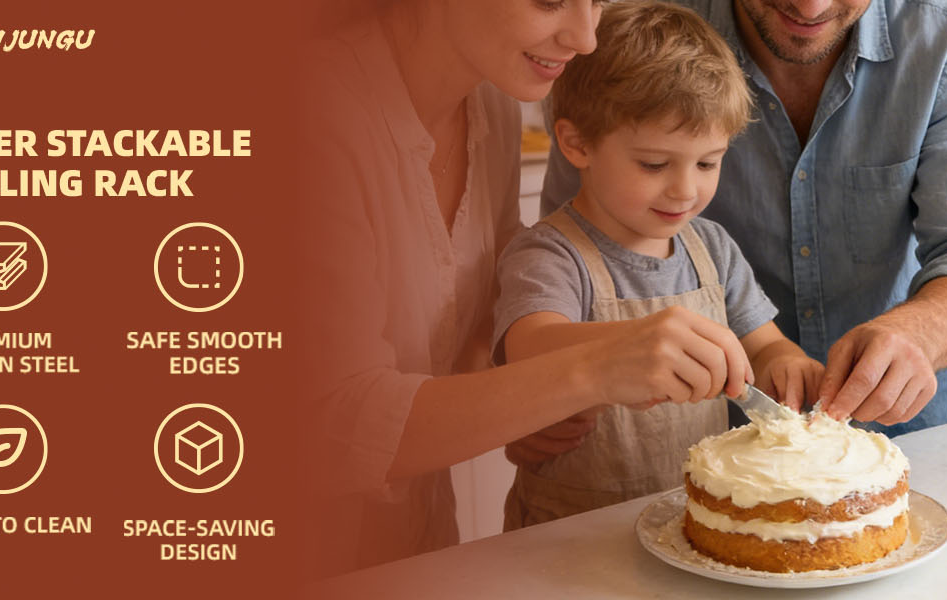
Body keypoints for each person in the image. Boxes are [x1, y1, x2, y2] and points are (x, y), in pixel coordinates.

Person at [296, 0, 750, 576]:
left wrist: (531, 404)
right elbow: (335, 422)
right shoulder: (306, 115)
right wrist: (591, 368)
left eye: (597, 0)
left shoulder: (492, 99)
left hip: (417, 543)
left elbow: (477, 299)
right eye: (551, 1)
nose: (587, 37)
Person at [537, 0, 947, 437]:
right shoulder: (621, 38)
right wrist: (542, 397)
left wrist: (918, 333)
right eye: (653, 164)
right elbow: (577, 248)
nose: (812, 7)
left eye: (708, 162)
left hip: (905, 436)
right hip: (704, 449)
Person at [492, 0, 825, 530]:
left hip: (694, 524)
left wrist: (786, 364)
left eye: (708, 162)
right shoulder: (551, 254)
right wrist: (638, 343)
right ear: (577, 143)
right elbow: (528, 347)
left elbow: (764, 344)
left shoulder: (711, 248)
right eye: (654, 164)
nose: (685, 189)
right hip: (570, 537)